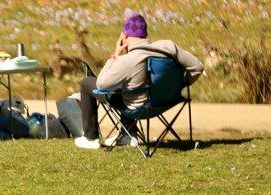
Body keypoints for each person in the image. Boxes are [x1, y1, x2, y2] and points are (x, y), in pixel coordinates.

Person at [74, 13, 204, 149]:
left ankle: (91, 138)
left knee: (87, 83)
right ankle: (128, 134)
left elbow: (101, 84)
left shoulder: (127, 60)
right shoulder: (169, 47)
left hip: (137, 109)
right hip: (167, 101)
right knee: (131, 84)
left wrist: (116, 55)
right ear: (145, 34)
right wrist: (180, 84)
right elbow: (197, 67)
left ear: (124, 37)